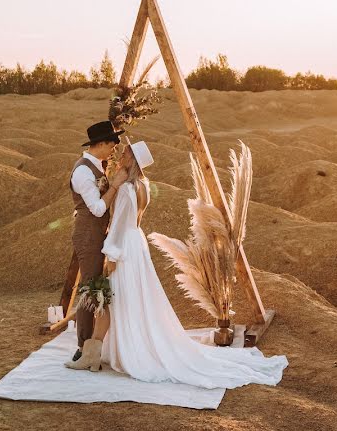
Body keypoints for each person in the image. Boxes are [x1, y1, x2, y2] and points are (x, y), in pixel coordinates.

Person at [67, 139, 288, 390]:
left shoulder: (127, 190)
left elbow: (118, 225)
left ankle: (98, 354)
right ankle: (97, 353)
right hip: (136, 242)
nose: (120, 155)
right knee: (127, 298)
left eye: (126, 153)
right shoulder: (144, 186)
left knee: (115, 298)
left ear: (133, 161)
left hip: (124, 246)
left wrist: (111, 254)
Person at [64, 120, 126, 364]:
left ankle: (91, 343)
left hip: (99, 234)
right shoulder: (82, 171)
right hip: (89, 234)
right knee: (90, 288)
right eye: (112, 143)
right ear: (100, 144)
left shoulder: (96, 166)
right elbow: (98, 209)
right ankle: (82, 347)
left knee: (95, 287)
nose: (114, 148)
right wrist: (116, 185)